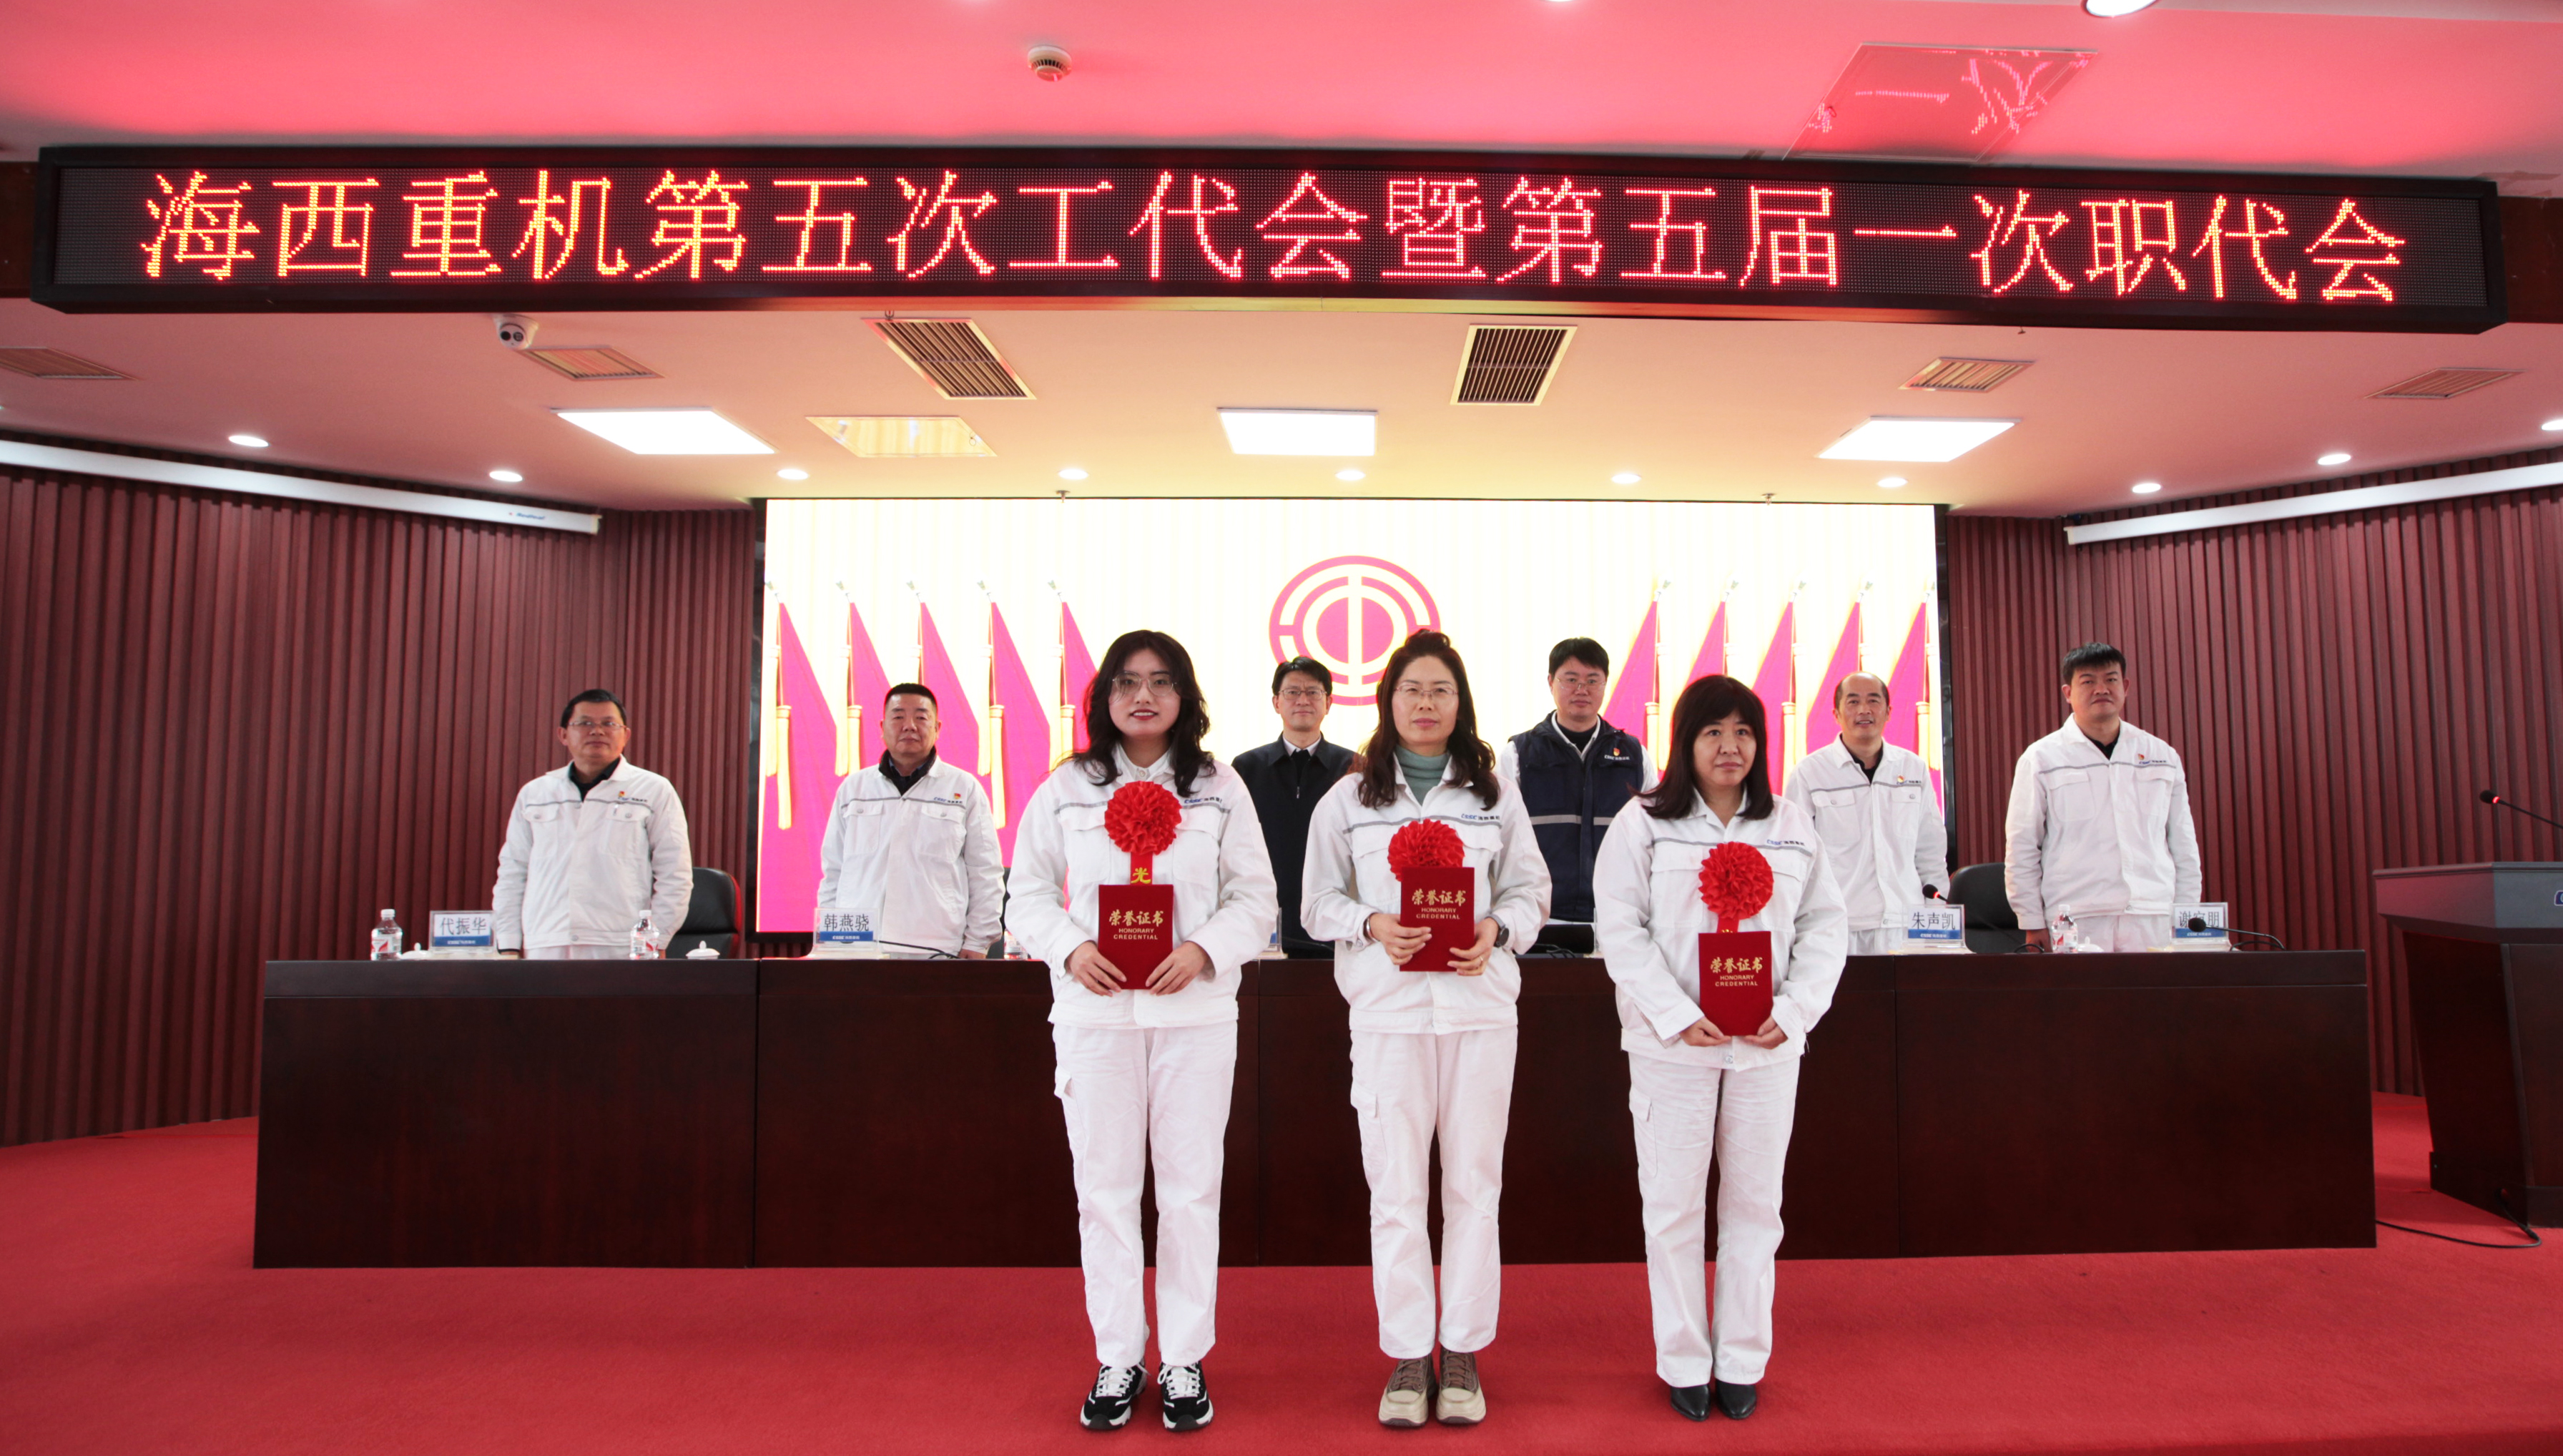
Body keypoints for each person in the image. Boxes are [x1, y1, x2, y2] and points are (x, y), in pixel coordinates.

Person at [1005, 630, 1278, 1435]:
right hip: (1095, 1018)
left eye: (1161, 681)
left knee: (1190, 1190)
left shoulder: (1218, 786)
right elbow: (1025, 893)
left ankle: (1185, 1357)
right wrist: (1070, 947)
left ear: (1184, 695)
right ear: (1105, 698)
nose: (1144, 696)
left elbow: (1255, 897)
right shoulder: (1068, 786)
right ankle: (1118, 1355)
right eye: (1127, 682)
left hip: (1193, 1016)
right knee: (1105, 1191)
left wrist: (1203, 949)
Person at [1301, 631, 1551, 1429]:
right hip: (1388, 1016)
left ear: (1460, 703)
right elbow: (1315, 903)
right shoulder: (1349, 799)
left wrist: (1497, 930)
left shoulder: (1493, 794)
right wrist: (1371, 922)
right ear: (1388, 701)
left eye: (1441, 690)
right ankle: (1409, 1351)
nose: (1425, 703)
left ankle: (1464, 1349)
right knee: (1397, 1189)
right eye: (1411, 689)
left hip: (1479, 1012)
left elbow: (1530, 890)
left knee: (1475, 1185)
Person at [1590, 674, 1847, 1424]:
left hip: (1766, 1047)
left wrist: (1794, 1010)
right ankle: (1682, 1358)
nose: (1729, 746)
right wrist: (1675, 1014)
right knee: (1672, 1204)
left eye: (1743, 732)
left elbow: (1824, 926)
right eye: (1712, 732)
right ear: (1685, 743)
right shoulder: (1643, 823)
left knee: (1754, 1205)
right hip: (1672, 1047)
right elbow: (1619, 928)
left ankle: (1740, 1358)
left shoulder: (1790, 824)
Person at [2003, 642, 2201, 953]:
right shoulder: (2042, 758)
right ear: (2068, 693)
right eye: (2088, 681)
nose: (2101, 689)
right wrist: (2030, 921)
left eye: (2110, 679)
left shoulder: (2161, 754)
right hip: (2075, 916)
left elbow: (2183, 843)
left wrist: (2187, 916)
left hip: (2153, 915)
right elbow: (2022, 845)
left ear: (2125, 687)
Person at [492, 689, 692, 960]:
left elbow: (675, 874)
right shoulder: (535, 794)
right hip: (545, 940)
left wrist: (655, 941)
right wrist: (508, 944)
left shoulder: (653, 790)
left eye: (609, 724)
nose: (597, 731)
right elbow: (513, 872)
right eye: (585, 723)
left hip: (622, 944)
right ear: (563, 734)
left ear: (626, 735)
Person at [814, 682, 1003, 958]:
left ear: (937, 728)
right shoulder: (854, 789)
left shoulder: (964, 788)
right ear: (882, 727)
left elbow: (984, 872)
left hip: (935, 948)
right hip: (858, 948)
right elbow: (834, 871)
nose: (909, 726)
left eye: (921, 717)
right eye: (899, 716)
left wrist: (977, 942)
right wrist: (830, 943)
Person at [1496, 636, 1656, 953]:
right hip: (1538, 922)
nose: (1581, 690)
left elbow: (1656, 834)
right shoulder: (1518, 754)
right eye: (1570, 680)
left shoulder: (1634, 756)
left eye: (1592, 681)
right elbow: (1500, 838)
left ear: (1605, 684)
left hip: (1615, 923)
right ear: (1551, 683)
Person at [1782, 672, 1949, 955]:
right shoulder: (1810, 773)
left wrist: (1936, 923)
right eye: (1853, 702)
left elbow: (1930, 853)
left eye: (1873, 701)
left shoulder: (1912, 768)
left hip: (1905, 924)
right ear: (1836, 714)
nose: (1864, 710)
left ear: (1888, 711)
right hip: (1839, 927)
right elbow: (1795, 857)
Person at [1232, 656, 1357, 958]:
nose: (1303, 700)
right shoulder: (1247, 768)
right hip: (1264, 929)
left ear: (1329, 702)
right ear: (1276, 702)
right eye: (1292, 692)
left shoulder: (1354, 769)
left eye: (1313, 692)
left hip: (1336, 925)